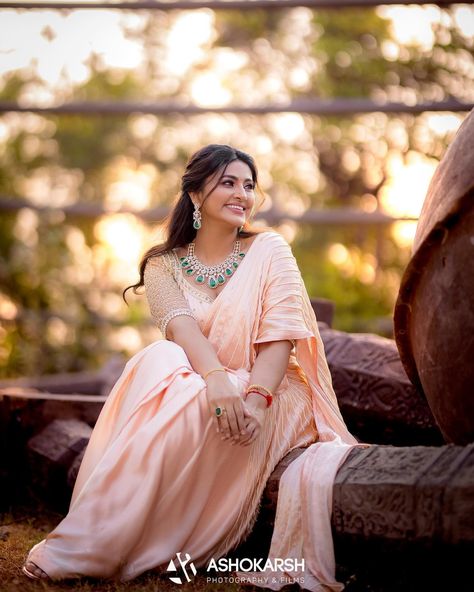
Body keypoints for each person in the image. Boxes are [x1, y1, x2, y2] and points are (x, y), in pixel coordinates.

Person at [22, 144, 367, 590]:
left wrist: (256, 401)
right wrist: (217, 383)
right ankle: (94, 540)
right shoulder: (163, 265)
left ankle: (94, 546)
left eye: (248, 185)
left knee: (189, 394)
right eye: (228, 182)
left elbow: (279, 340)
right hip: (202, 385)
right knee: (159, 357)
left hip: (269, 391)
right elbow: (183, 333)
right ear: (195, 194)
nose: (242, 193)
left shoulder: (269, 250)